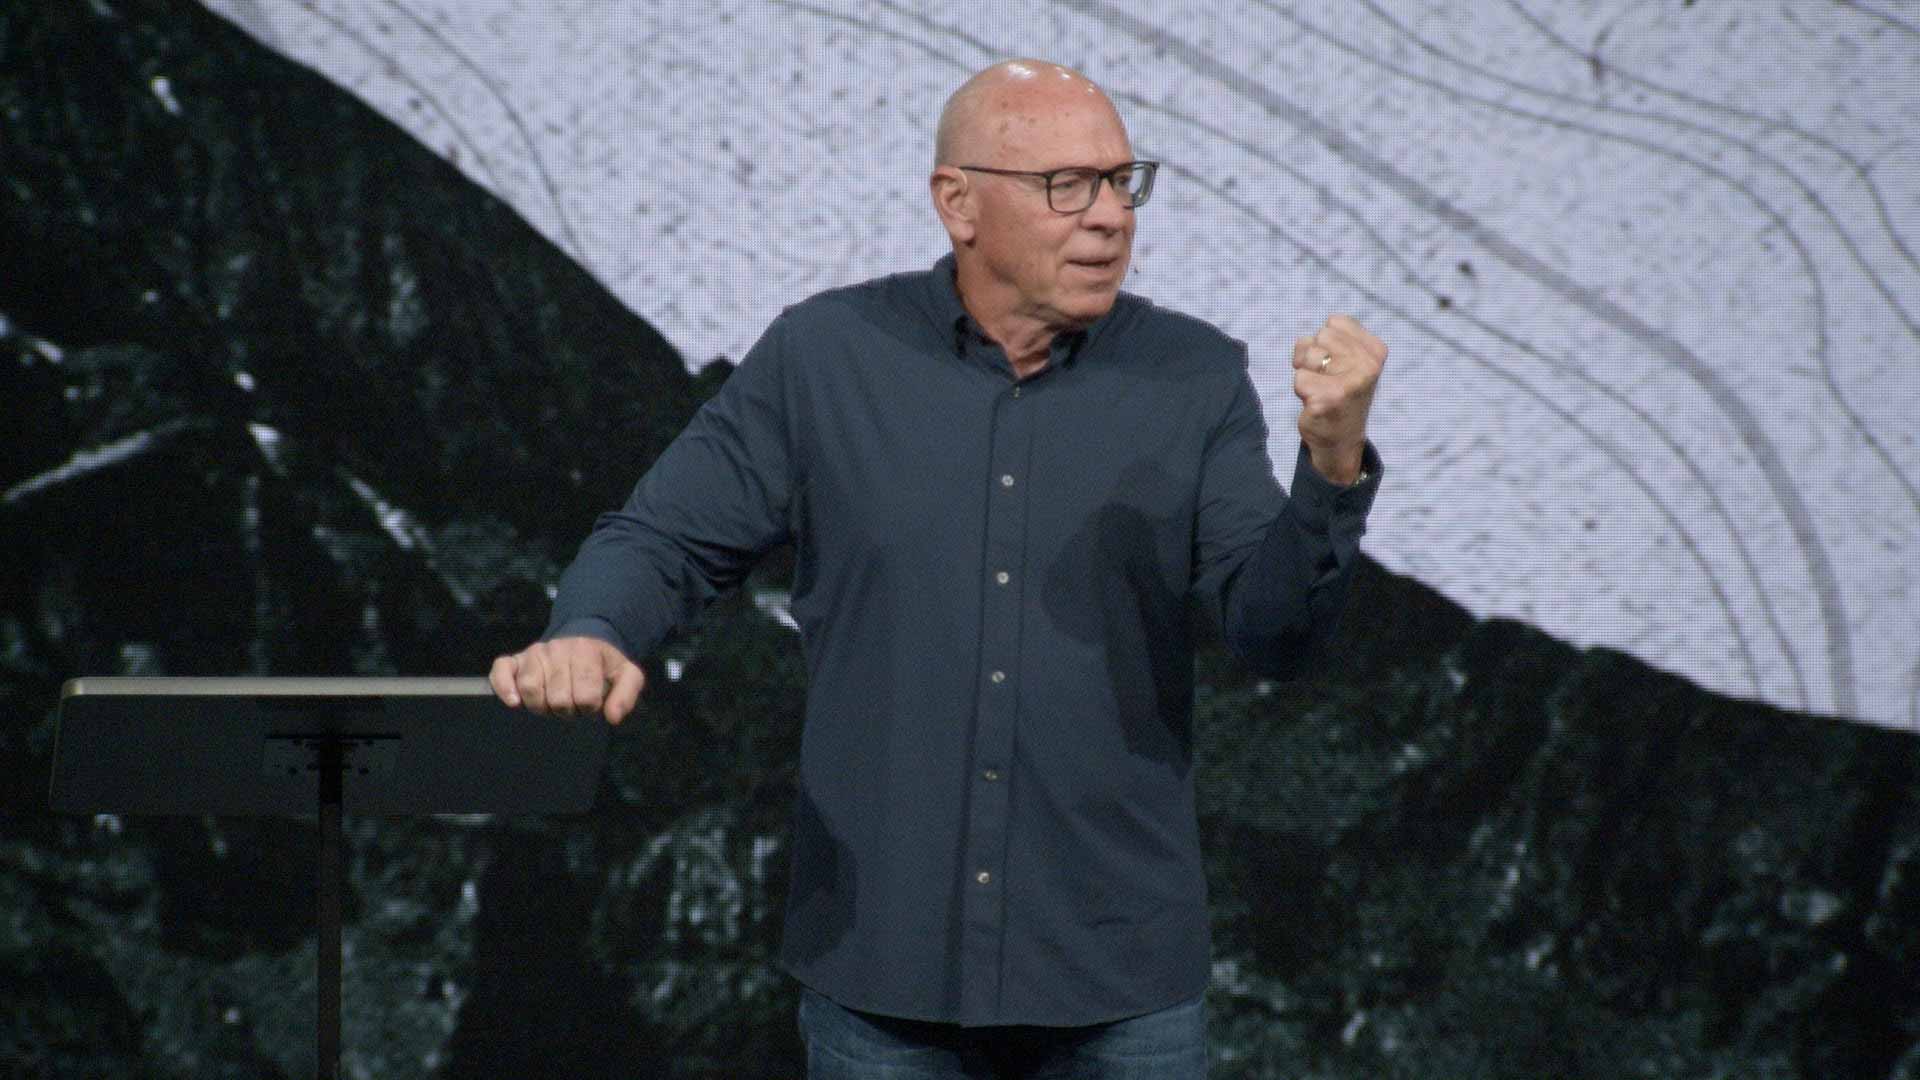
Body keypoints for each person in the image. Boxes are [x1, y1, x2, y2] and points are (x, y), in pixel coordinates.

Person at [491, 58, 1385, 1080]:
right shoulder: (826, 357)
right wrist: (592, 629)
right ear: (958, 203)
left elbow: (1273, 632)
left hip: (1119, 984)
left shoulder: (1195, 378)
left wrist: (1331, 467)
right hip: (885, 971)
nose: (1110, 217)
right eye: (1067, 185)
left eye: (1121, 181)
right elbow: (663, 537)